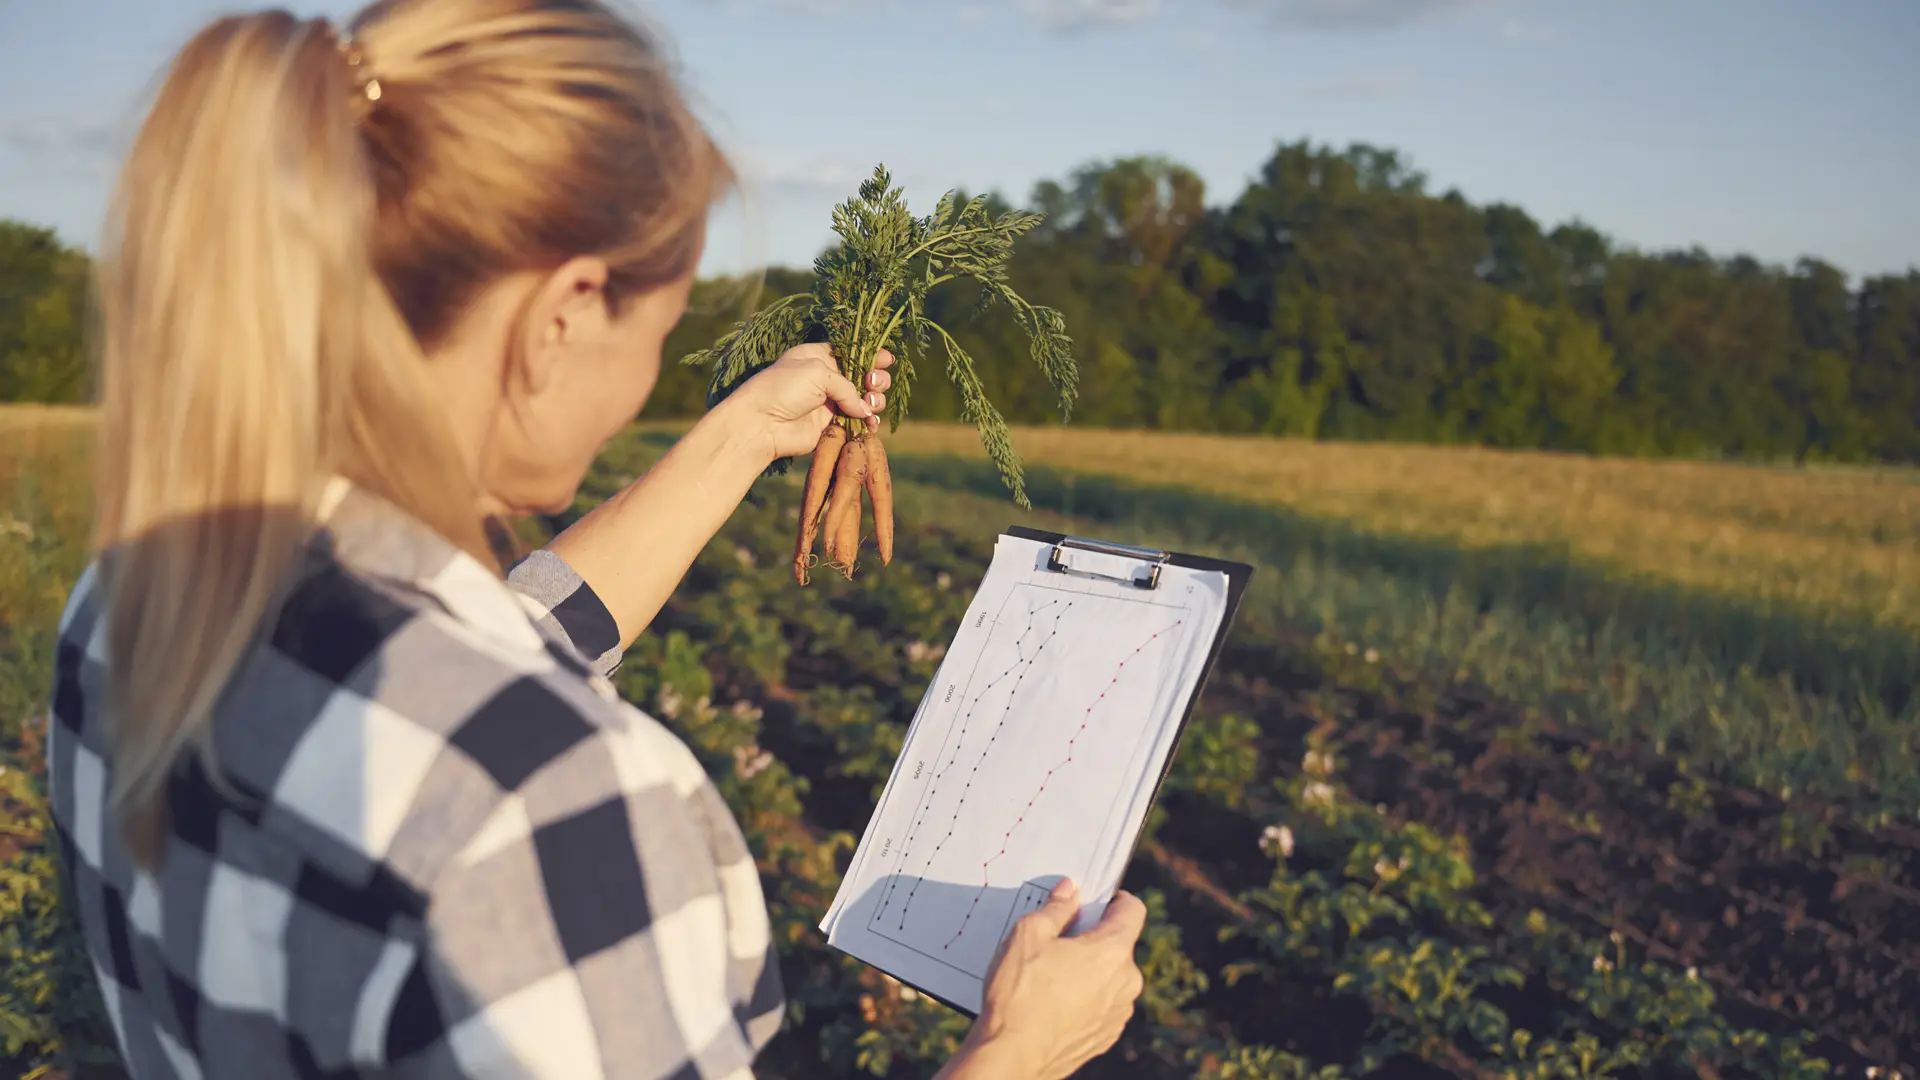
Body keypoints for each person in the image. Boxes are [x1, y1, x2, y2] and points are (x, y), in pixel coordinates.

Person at [41, 1, 1148, 1078]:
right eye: (661, 329)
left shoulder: (135, 603)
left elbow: (498, 649)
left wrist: (739, 437)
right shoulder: (552, 806)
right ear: (563, 313)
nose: (650, 373)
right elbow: (489, 725)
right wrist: (1018, 1052)